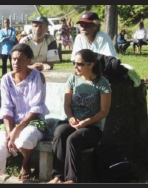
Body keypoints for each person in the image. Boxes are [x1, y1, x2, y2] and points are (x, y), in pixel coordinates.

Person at [0, 43, 50, 183]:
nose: (16, 63)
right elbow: (6, 108)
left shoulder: (37, 77)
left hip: (33, 121)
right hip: (11, 122)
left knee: (24, 140)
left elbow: (36, 108)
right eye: (13, 59)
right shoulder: (6, 79)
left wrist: (18, 129)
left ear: (29, 60)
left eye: (21, 59)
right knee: (0, 148)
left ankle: (26, 161)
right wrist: (10, 131)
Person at [48, 49, 112, 184]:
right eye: (74, 63)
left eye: (79, 64)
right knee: (60, 132)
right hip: (74, 122)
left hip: (92, 128)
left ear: (91, 65)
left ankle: (72, 180)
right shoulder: (72, 79)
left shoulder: (102, 83)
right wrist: (71, 117)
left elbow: (104, 111)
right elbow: (67, 105)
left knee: (73, 139)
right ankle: (58, 176)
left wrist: (86, 122)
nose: (75, 67)